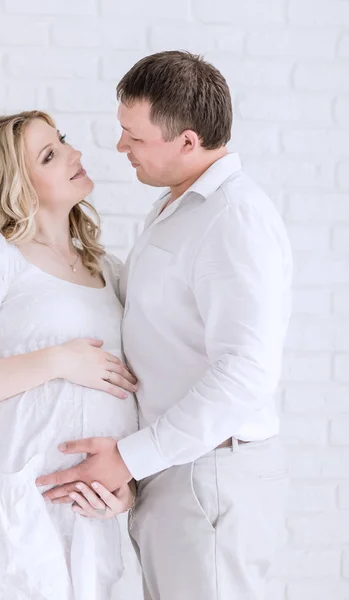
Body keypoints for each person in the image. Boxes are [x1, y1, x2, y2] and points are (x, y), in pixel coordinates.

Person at [38, 51, 293, 600]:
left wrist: (128, 458)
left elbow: (246, 373)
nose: (119, 146)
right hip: (178, 467)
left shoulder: (233, 219)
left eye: (134, 135)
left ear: (187, 141)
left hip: (209, 474)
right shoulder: (178, 207)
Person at [0, 110, 141, 600]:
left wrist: (125, 491)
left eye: (62, 141)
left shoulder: (109, 270)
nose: (74, 154)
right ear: (18, 184)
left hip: (89, 513)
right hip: (17, 501)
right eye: (49, 154)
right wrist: (59, 360)